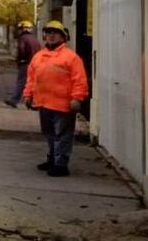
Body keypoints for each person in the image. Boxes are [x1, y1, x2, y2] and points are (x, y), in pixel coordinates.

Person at [23, 20, 89, 177]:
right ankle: (53, 158)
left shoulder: (71, 58)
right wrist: (27, 94)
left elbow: (79, 80)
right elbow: (31, 78)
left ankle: (61, 164)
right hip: (44, 104)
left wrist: (77, 98)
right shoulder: (39, 56)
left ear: (62, 37)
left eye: (55, 33)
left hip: (63, 105)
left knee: (62, 135)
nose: (51, 35)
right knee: (50, 134)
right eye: (48, 32)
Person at [5, 20, 40, 108]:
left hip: (26, 63)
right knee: (32, 83)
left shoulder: (23, 38)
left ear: (23, 29)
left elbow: (22, 50)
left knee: (21, 82)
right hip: (36, 63)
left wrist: (20, 60)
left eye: (20, 28)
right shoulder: (34, 39)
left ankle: (14, 100)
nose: (19, 30)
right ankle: (33, 102)